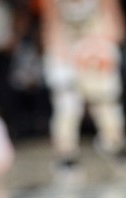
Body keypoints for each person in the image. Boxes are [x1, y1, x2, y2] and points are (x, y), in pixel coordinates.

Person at [40, 0, 126, 181]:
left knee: (105, 104)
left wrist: (97, 48)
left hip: (97, 50)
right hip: (67, 53)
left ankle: (114, 145)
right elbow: (51, 31)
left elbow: (116, 28)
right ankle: (66, 155)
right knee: (67, 105)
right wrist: (63, 55)